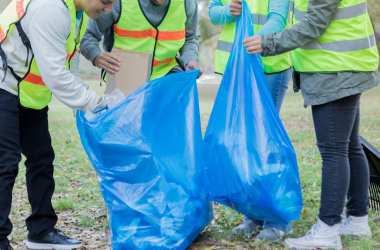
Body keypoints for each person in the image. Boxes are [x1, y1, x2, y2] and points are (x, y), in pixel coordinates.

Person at [243, 0, 380, 248]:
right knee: (349, 145)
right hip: (344, 65)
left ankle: (327, 229)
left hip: (334, 69)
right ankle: (357, 220)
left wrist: (268, 43)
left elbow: (314, 24)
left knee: (334, 150)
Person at [0, 0, 117, 248]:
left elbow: (68, 65)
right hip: (3, 84)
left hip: (27, 91)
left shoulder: (77, 13)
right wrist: (92, 101)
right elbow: (55, 74)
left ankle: (41, 231)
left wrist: (83, 103)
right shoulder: (51, 9)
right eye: (106, 2)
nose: (108, 10)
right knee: (5, 162)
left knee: (41, 158)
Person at [209, 0, 293, 242]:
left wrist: (245, 47)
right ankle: (254, 215)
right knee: (244, 144)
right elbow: (213, 13)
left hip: (269, 67)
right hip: (236, 68)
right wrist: (227, 11)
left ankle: (277, 219)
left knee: (265, 142)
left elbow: (278, 18)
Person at [80, 0, 203, 81]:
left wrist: (190, 59)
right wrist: (96, 56)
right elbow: (87, 36)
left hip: (167, 78)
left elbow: (190, 37)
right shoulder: (116, 3)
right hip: (124, 79)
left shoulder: (187, 3)